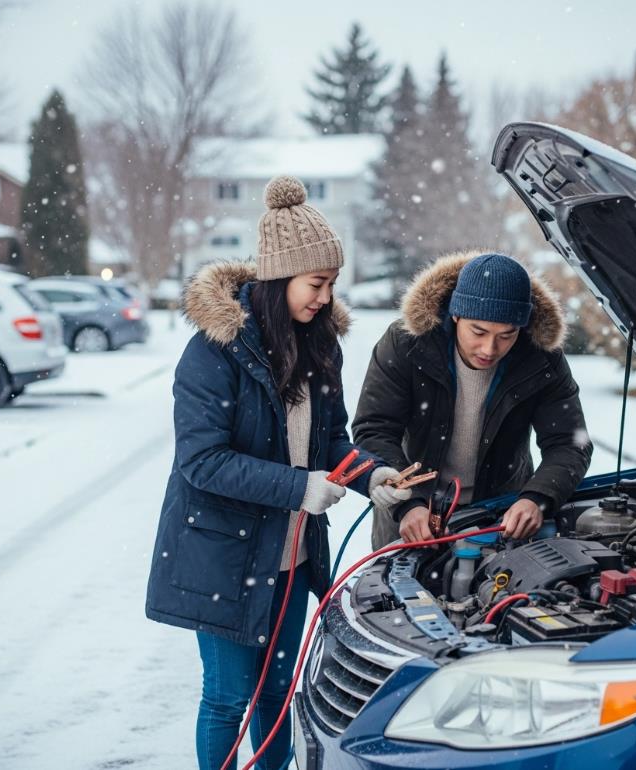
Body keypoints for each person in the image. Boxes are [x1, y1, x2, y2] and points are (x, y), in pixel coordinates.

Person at [145, 176, 407, 770]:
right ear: (278, 278)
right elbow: (201, 460)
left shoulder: (320, 348)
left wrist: (373, 477)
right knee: (230, 696)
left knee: (278, 692)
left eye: (331, 283)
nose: (325, 296)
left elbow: (332, 441)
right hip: (223, 554)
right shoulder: (215, 350)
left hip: (289, 556)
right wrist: (298, 486)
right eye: (316, 283)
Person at [353, 250, 593, 550]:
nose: (490, 348)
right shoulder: (406, 344)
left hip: (500, 515)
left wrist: (537, 497)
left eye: (507, 335)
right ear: (455, 315)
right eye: (478, 331)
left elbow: (570, 443)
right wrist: (407, 504)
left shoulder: (541, 359)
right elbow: (374, 430)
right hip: (411, 517)